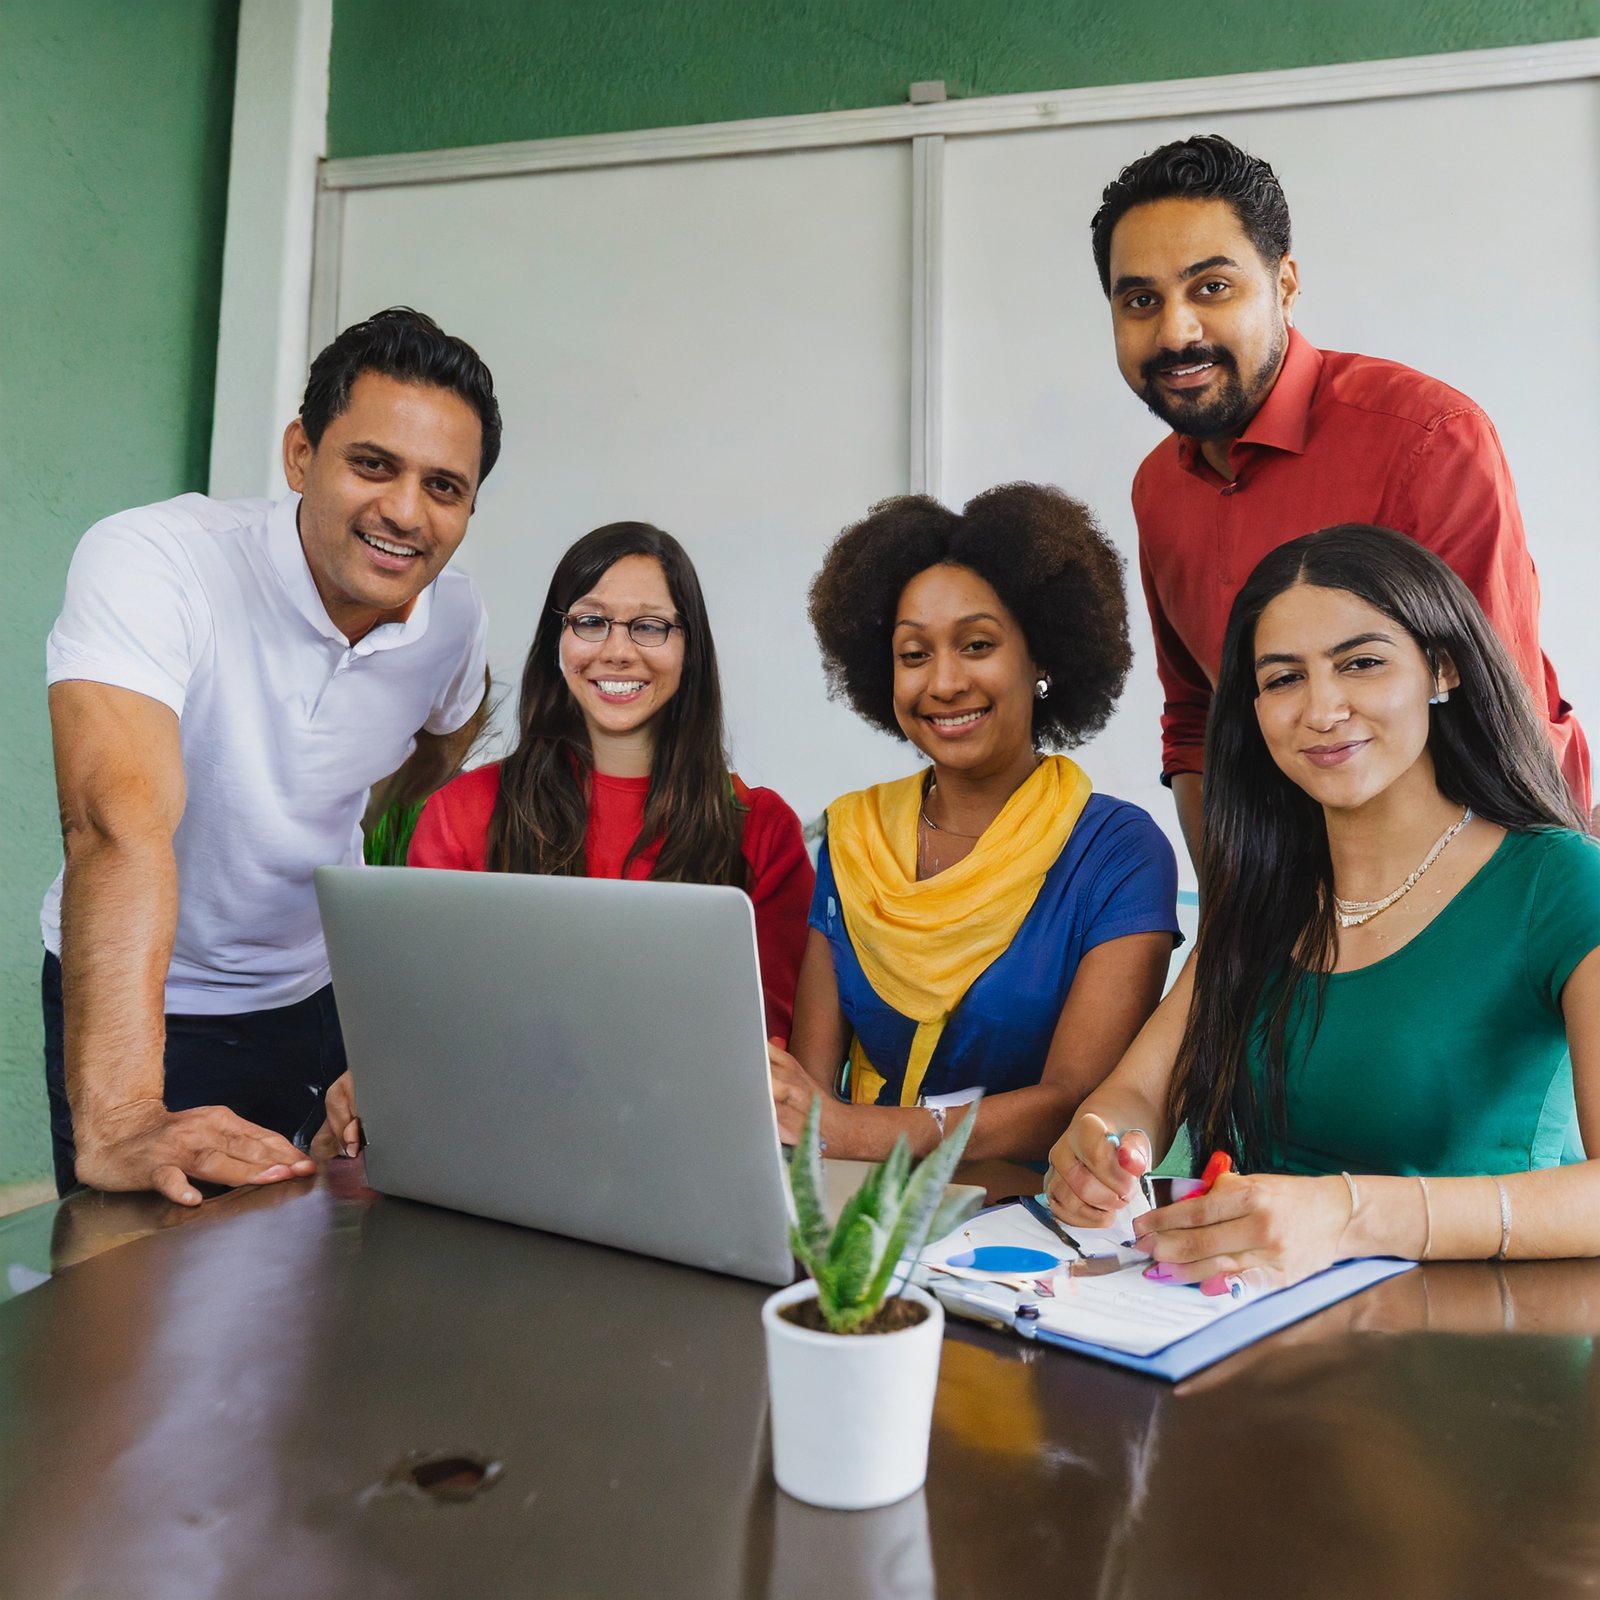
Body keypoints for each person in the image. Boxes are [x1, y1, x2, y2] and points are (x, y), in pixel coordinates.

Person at [1047, 525, 1600, 1291]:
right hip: (1245, 1332)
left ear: (1442, 669)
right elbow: (1139, 1091)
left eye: (1361, 664)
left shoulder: (1562, 882)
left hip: (1479, 1354)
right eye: (1282, 680)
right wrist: (1102, 1146)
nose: (1321, 708)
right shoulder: (1267, 890)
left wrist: (1345, 1217)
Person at [43, 307, 500, 1205]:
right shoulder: (154, 559)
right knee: (137, 1310)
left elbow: (446, 731)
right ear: (301, 454)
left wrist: (349, 828)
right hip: (150, 1009)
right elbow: (116, 825)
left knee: (324, 1284)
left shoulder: (455, 619)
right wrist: (126, 1115)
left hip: (325, 996)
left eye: (444, 486)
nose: (405, 511)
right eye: (373, 464)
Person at [1091, 133, 1590, 864]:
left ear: (1285, 284)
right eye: (1140, 299)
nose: (1177, 331)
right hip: (1298, 888)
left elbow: (1495, 715)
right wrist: (1235, 913)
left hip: (1491, 869)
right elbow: (1197, 720)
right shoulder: (1158, 485)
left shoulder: (1427, 437)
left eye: (1212, 287)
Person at [304, 523, 814, 1155]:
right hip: (497, 1147)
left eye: (650, 625)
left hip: (680, 1151)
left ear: (690, 648)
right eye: (590, 621)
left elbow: (761, 1056)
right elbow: (432, 1023)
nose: (618, 651)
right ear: (557, 640)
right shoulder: (463, 813)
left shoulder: (760, 827)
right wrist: (378, 1079)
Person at [766, 484, 1181, 1165]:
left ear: (1042, 657)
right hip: (854, 1213)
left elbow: (1073, 1102)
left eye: (977, 644)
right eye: (913, 654)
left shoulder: (1119, 852)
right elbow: (809, 1097)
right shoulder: (854, 835)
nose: (945, 682)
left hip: (1021, 1233)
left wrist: (857, 1132)